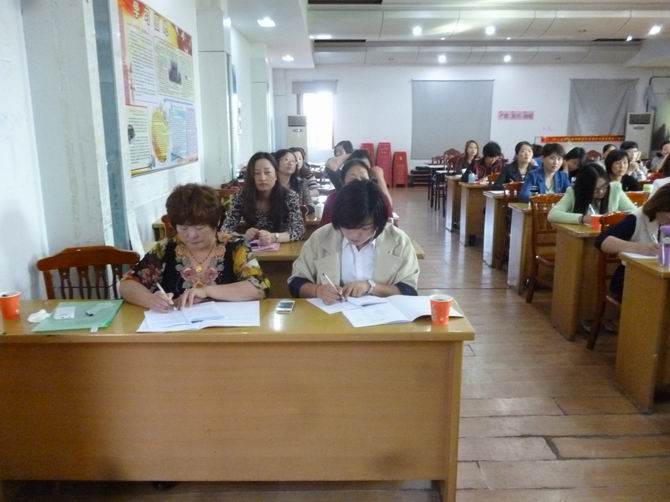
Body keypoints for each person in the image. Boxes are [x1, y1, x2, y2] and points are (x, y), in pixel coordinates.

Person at [120, 184, 268, 311]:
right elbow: (127, 284)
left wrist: (207, 291)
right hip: (177, 330)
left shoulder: (235, 246)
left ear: (216, 222)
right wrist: (151, 300)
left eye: (199, 227)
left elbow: (258, 288)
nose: (191, 235)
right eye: (183, 228)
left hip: (227, 330)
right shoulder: (166, 249)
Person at [288, 180, 419, 304]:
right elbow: (295, 283)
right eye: (347, 227)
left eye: (364, 228)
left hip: (384, 317)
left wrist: (371, 287)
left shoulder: (398, 241)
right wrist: (318, 290)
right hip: (331, 316)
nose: (354, 235)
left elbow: (409, 290)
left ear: (379, 222)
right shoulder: (321, 237)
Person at [595, 184, 670, 299]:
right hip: (631, 277)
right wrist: (639, 248)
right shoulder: (637, 218)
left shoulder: (665, 220)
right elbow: (601, 241)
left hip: (661, 277)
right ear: (658, 206)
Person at [222, 152, 305, 244]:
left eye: (267, 172)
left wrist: (273, 237)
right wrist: (243, 236)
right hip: (253, 250)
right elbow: (225, 230)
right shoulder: (241, 197)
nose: (262, 178)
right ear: (251, 177)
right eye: (256, 173)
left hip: (284, 248)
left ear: (276, 175)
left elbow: (299, 231)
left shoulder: (289, 196)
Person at [548, 163, 635, 224]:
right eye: (595, 189)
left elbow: (634, 213)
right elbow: (553, 215)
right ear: (584, 188)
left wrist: (615, 217)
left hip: (611, 236)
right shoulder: (574, 192)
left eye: (604, 186)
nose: (601, 191)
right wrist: (582, 218)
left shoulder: (614, 189)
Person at [320, 158, 393, 225]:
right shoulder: (333, 199)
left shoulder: (380, 198)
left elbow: (389, 226)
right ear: (343, 182)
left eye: (363, 179)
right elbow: (325, 230)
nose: (359, 183)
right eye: (353, 179)